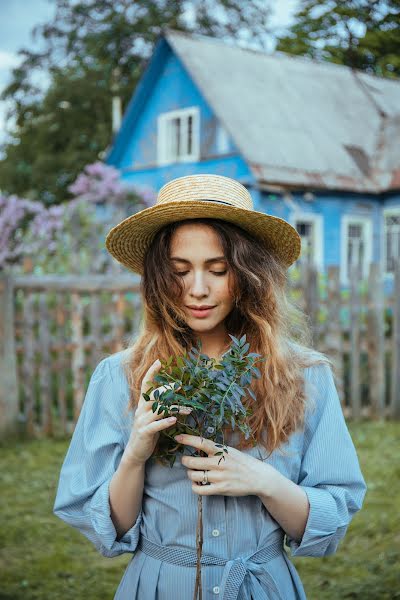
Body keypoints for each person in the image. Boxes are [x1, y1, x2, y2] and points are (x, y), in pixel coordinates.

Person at [53, 174, 367, 599]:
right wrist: (135, 454)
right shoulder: (120, 376)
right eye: (180, 271)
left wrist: (264, 480)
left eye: (218, 270)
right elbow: (109, 529)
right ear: (160, 278)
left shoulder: (305, 374)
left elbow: (329, 520)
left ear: (247, 275)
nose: (197, 290)